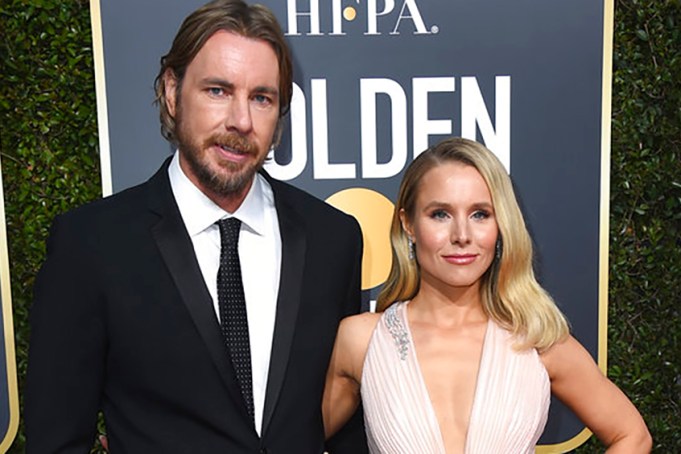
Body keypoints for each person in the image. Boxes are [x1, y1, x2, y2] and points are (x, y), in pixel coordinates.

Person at [25, 0, 368, 452]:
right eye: (218, 91)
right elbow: (56, 440)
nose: (241, 121)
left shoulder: (333, 239)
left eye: (261, 98)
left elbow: (346, 426)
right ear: (172, 91)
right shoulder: (91, 247)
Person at [322, 137, 652, 453]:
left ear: (501, 224)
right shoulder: (361, 340)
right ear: (408, 224)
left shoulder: (536, 339)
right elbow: (291, 439)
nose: (462, 235)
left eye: (480, 214)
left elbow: (631, 435)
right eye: (440, 214)